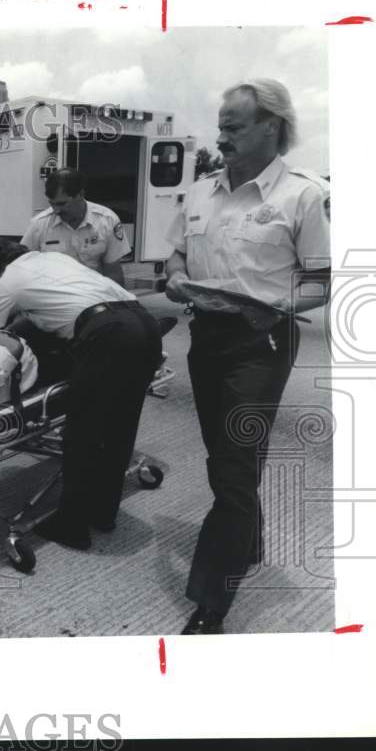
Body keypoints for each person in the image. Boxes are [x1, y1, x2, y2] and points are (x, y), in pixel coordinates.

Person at [164, 78, 330, 635]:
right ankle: (248, 542)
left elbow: (322, 283)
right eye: (221, 125)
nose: (221, 136)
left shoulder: (302, 195)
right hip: (205, 338)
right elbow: (175, 258)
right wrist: (177, 279)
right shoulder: (199, 191)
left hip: (260, 343)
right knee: (226, 457)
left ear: (271, 126)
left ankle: (212, 601)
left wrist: (275, 305)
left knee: (233, 466)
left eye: (233, 126)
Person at [0, 239, 163, 549]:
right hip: (144, 324)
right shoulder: (54, 258)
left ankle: (72, 526)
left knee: (83, 433)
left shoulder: (9, 279)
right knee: (120, 427)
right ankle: (103, 515)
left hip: (107, 333)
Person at [20, 167, 131, 286]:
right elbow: (21, 267)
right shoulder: (39, 225)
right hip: (54, 296)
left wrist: (119, 302)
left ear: (81, 194)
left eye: (62, 204)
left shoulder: (107, 221)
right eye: (52, 204)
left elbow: (113, 271)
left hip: (93, 294)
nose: (56, 211)